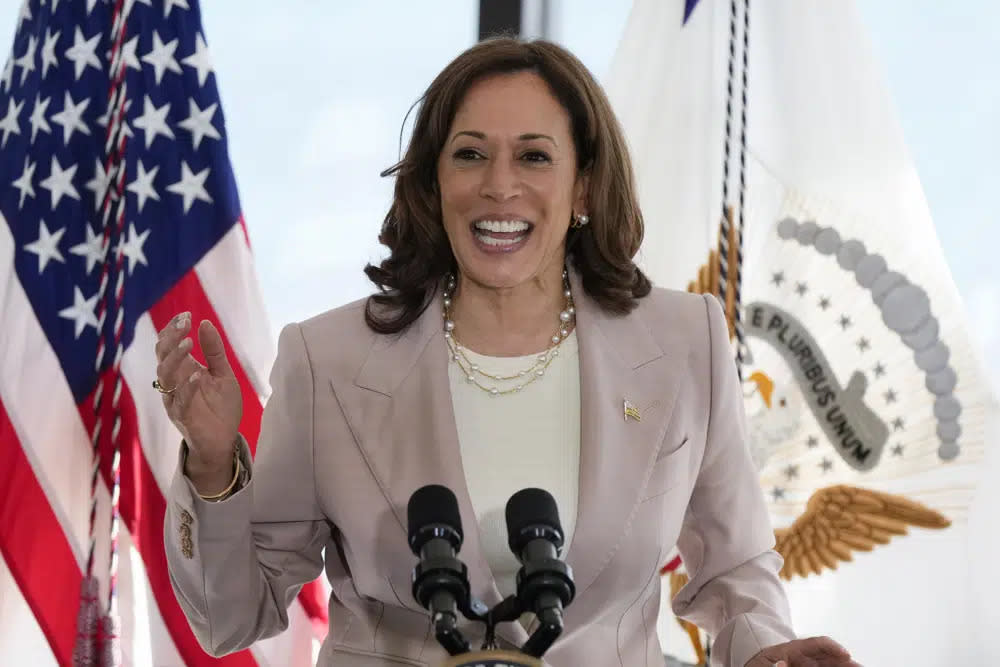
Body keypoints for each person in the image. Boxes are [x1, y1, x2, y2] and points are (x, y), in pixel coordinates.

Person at [157, 38, 859, 667]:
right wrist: (214, 463)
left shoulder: (685, 343)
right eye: (470, 154)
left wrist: (771, 653)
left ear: (583, 183)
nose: (499, 184)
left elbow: (735, 575)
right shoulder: (326, 361)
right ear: (434, 183)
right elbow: (229, 618)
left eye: (533, 155)